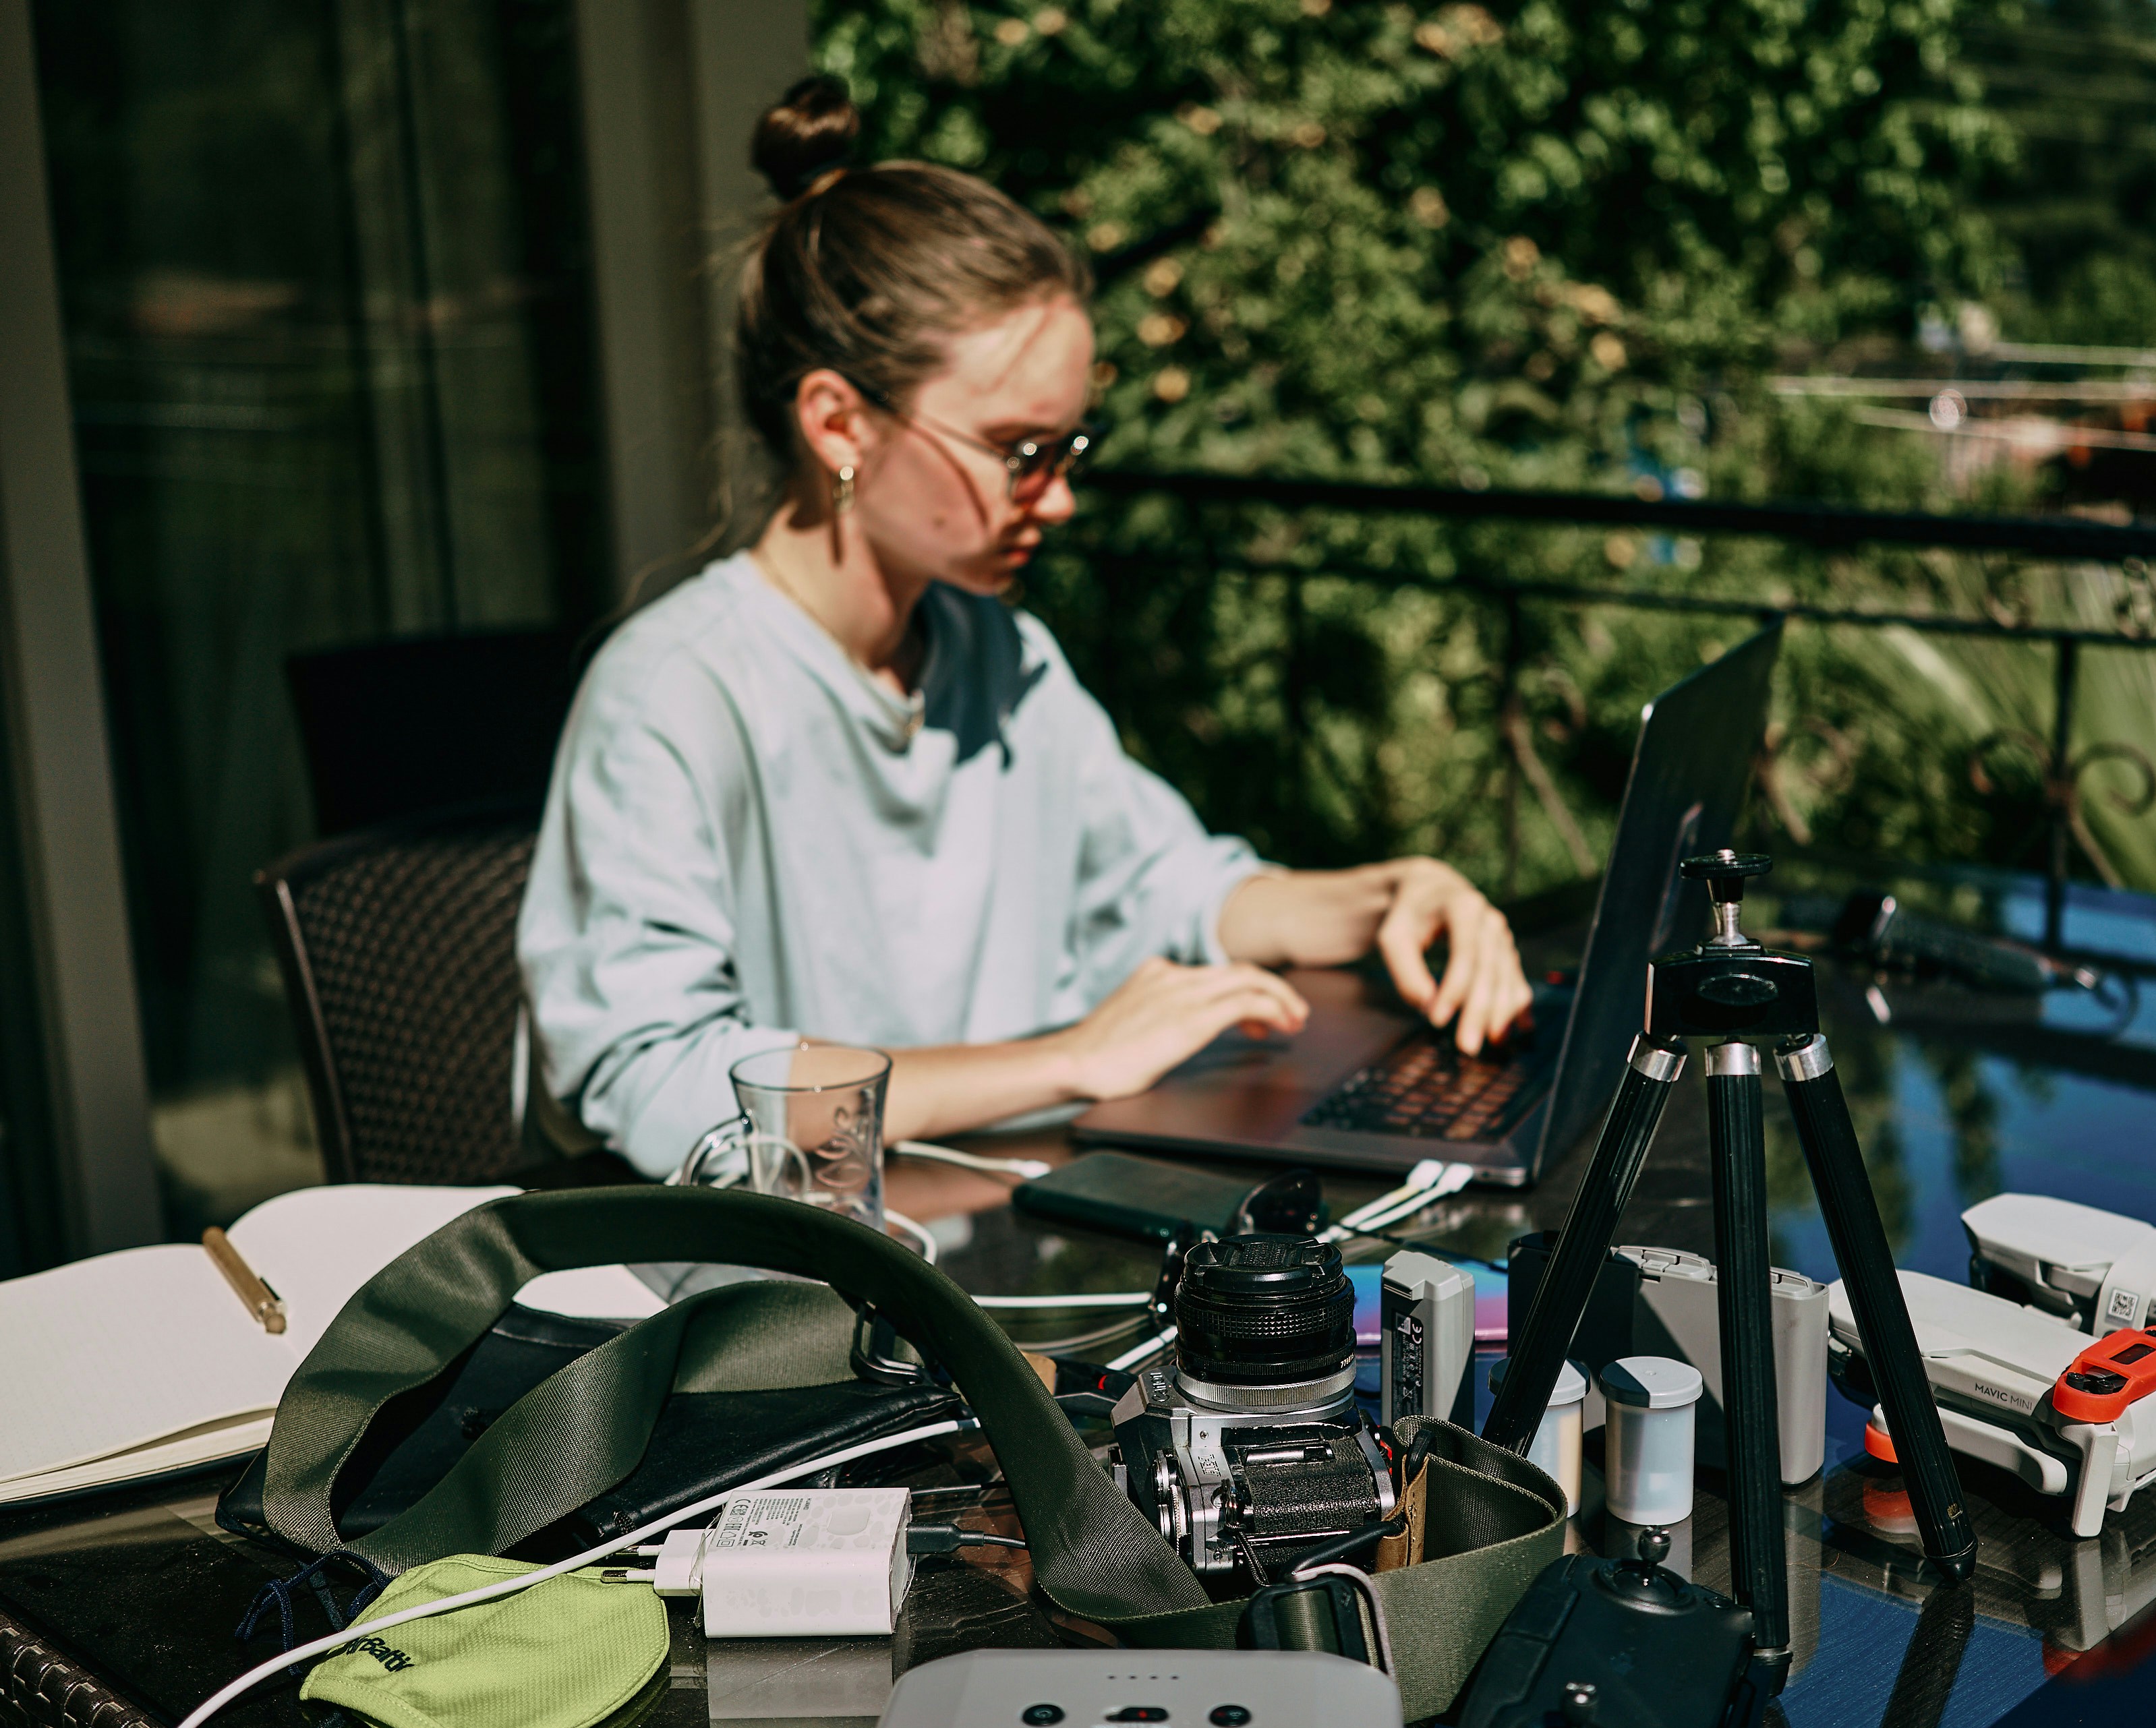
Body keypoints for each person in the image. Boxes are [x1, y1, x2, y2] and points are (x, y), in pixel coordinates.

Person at [519, 77, 1532, 1177]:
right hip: (789, 1292)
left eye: (1067, 450)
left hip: (1006, 1241)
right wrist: (1066, 1061)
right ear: (838, 423)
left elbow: (1170, 888)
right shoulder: (674, 693)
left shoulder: (1003, 658)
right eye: (1019, 452)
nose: (1056, 500)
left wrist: (1394, 893)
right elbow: (659, 1078)